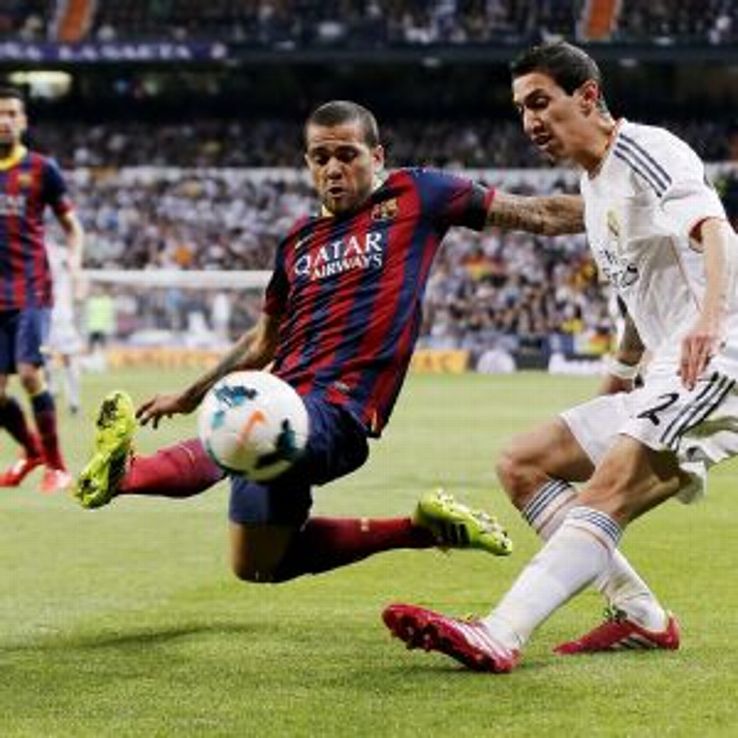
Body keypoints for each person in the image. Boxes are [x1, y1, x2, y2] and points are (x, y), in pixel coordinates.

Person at [74, 99, 584, 585]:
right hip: (279, 395)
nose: (333, 169)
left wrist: (618, 207)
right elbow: (262, 342)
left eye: (347, 155)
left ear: (376, 157)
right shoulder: (297, 241)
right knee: (259, 565)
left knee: (248, 429)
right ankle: (419, 529)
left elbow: (537, 213)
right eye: (321, 158)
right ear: (308, 164)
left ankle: (129, 474)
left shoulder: (418, 193)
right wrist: (188, 396)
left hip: (339, 412)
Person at [382, 41, 738, 672]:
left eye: (541, 102)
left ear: (589, 95)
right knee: (524, 462)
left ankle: (501, 632)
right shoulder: (594, 186)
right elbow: (640, 295)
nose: (530, 121)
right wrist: (617, 380)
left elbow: (714, 228)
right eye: (522, 109)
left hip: (720, 352)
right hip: (669, 366)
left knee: (607, 489)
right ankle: (639, 612)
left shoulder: (647, 149)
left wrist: (709, 321)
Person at [0, 87, 84, 493]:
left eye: (11, 113)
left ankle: (58, 466)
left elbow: (73, 228)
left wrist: (76, 263)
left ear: (23, 120)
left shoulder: (41, 169)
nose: (4, 121)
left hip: (31, 289)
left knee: (30, 372)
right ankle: (33, 452)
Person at [45, 242, 84, 415]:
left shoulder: (46, 252)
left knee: (47, 356)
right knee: (68, 358)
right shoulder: (63, 254)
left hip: (49, 313)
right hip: (59, 314)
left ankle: (53, 392)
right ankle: (72, 401)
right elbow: (77, 276)